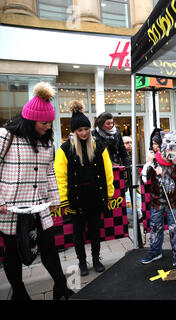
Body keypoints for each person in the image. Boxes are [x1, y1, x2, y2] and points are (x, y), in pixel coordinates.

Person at [0, 82, 74, 300]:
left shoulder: (46, 143)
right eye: (44, 123)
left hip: (39, 206)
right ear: (30, 120)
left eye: (50, 123)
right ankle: (19, 293)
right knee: (13, 252)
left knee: (49, 247)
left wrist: (54, 198)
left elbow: (49, 172)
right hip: (10, 208)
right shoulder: (6, 136)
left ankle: (61, 287)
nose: (48, 127)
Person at [54, 100, 115, 276]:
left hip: (95, 197)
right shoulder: (65, 149)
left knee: (96, 231)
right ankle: (82, 263)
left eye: (86, 129)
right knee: (78, 234)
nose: (83, 133)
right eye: (79, 130)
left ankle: (96, 260)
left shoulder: (98, 145)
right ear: (73, 131)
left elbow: (107, 171)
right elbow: (60, 176)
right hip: (75, 199)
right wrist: (64, 199)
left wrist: (109, 194)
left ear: (90, 128)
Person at [140, 132, 176, 267]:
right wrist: (150, 165)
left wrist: (164, 173)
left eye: (156, 144)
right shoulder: (153, 161)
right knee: (155, 227)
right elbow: (144, 178)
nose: (155, 147)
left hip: (173, 201)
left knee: (174, 228)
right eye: (154, 145)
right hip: (156, 201)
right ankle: (155, 251)